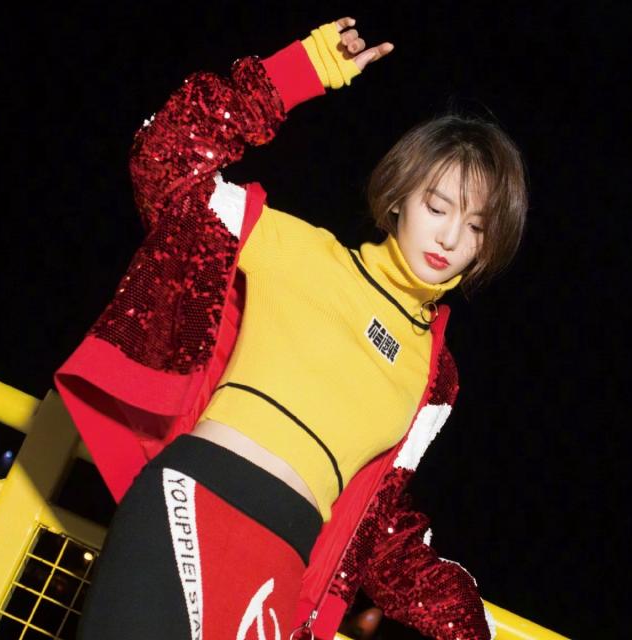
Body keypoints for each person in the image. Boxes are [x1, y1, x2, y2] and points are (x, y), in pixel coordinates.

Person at [55, 15, 527, 640]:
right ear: (399, 198)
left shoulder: (436, 378)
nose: (448, 237)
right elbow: (165, 158)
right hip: (190, 505)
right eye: (438, 207)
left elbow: (381, 530)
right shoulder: (294, 248)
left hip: (280, 568)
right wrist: (297, 73)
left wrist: (466, 623)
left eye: (474, 227)